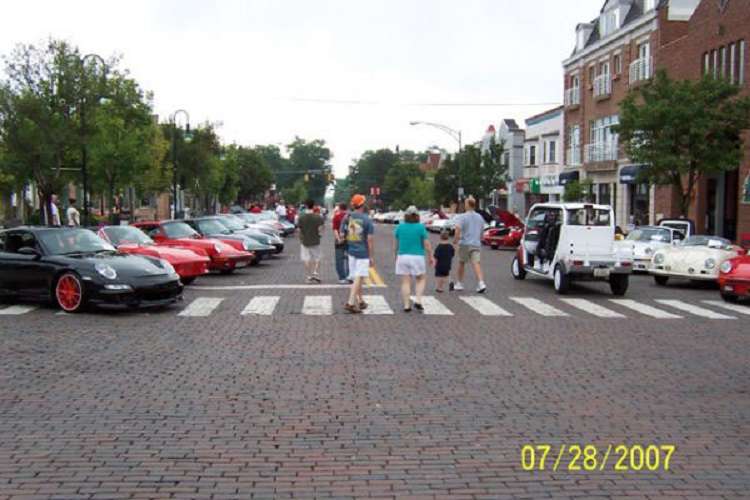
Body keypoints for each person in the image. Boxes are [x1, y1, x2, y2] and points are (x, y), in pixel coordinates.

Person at [393, 205, 433, 312]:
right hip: (417, 256)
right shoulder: (420, 227)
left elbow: (396, 245)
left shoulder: (400, 227)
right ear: (417, 216)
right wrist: (431, 256)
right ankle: (418, 300)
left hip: (403, 256)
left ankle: (406, 305)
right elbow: (427, 244)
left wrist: (396, 256)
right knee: (421, 278)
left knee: (405, 281)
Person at [341, 194, 374, 314]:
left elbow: (342, 233)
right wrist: (371, 256)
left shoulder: (348, 216)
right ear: (362, 205)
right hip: (362, 252)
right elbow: (369, 240)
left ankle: (360, 300)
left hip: (351, 250)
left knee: (357, 277)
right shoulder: (366, 219)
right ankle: (350, 302)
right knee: (359, 277)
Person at [450, 196, 487, 293]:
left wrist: (455, 241)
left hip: (465, 243)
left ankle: (459, 283)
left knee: (462, 262)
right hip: (476, 243)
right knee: (476, 263)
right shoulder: (480, 217)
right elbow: (482, 231)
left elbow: (457, 230)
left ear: (467, 205)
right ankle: (481, 283)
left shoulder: (462, 217)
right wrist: (480, 239)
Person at [297, 199, 324, 283]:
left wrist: (300, 238)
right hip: (315, 240)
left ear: (305, 206)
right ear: (313, 206)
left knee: (306, 259)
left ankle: (309, 276)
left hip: (305, 241)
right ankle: (316, 273)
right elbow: (321, 228)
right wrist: (319, 234)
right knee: (317, 258)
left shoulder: (301, 217)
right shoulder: (318, 217)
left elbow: (299, 230)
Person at [332, 202, 350, 284]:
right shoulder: (350, 216)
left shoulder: (336, 216)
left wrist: (338, 238)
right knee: (350, 259)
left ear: (339, 208)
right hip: (350, 240)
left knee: (339, 259)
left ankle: (342, 277)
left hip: (339, 240)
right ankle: (349, 276)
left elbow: (335, 229)